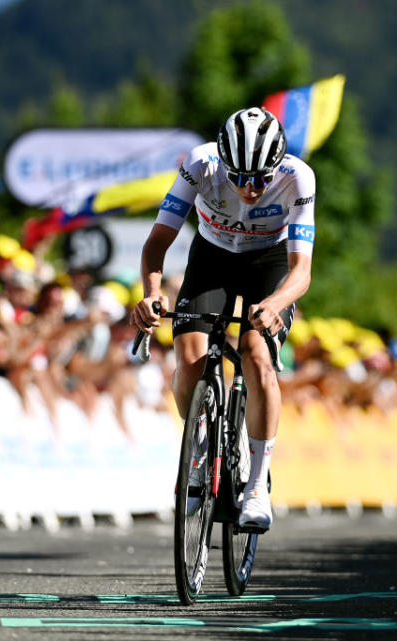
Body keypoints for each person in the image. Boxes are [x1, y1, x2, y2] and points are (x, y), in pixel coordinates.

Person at [132, 107, 315, 532]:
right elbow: (158, 241)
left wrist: (276, 303)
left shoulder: (298, 177)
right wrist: (152, 295)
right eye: (241, 178)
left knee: (256, 356)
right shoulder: (200, 164)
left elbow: (301, 270)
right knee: (189, 366)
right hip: (212, 257)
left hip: (269, 262)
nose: (251, 189)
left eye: (261, 179)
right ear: (224, 164)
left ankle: (256, 486)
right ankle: (198, 450)